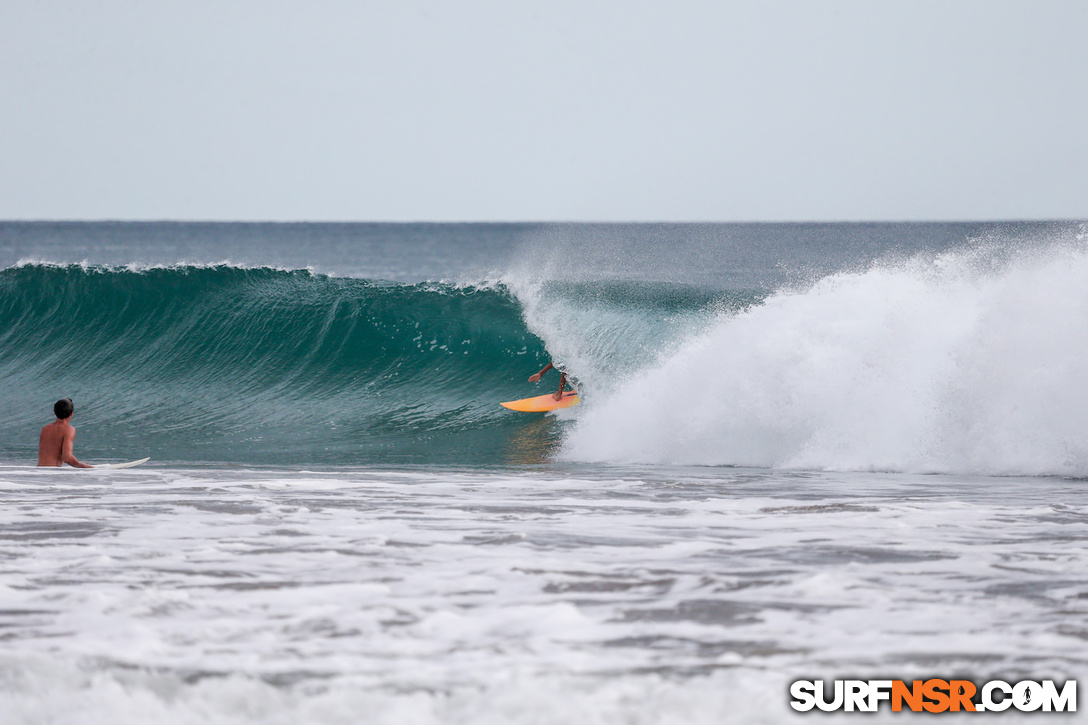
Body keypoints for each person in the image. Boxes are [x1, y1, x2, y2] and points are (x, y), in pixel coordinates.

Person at [38, 398, 93, 468]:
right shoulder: (69, 430)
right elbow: (67, 457)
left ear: (54, 412)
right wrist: (89, 468)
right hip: (52, 474)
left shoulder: (45, 428)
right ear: (71, 414)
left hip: (39, 472)